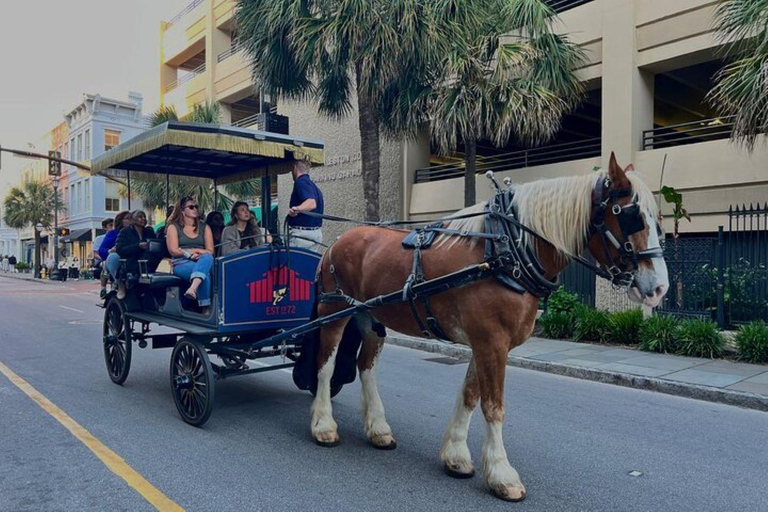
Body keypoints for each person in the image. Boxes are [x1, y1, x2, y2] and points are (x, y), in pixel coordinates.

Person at [165, 196, 214, 314]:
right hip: (181, 262)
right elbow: (174, 250)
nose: (195, 209)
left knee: (207, 258)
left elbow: (210, 250)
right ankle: (205, 308)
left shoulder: (204, 227)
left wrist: (197, 252)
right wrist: (191, 253)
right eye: (191, 207)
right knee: (204, 275)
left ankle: (193, 288)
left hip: (202, 260)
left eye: (196, 207)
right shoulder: (173, 227)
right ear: (182, 210)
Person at [113, 210, 158, 299]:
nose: (143, 219)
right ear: (133, 220)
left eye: (144, 217)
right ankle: (121, 284)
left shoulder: (149, 231)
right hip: (131, 260)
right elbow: (120, 249)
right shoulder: (125, 232)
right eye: (140, 217)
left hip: (147, 260)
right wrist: (138, 246)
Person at [287, 159, 324, 251]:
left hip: (302, 235)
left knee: (293, 264)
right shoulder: (314, 187)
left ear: (295, 168)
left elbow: (311, 203)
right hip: (316, 232)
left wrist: (297, 209)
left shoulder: (300, 182)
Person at [101, 211, 133, 298]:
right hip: (114, 259)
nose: (131, 221)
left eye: (132, 218)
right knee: (113, 258)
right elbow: (101, 250)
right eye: (127, 218)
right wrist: (110, 250)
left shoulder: (135, 232)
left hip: (130, 258)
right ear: (120, 221)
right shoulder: (113, 233)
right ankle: (118, 283)